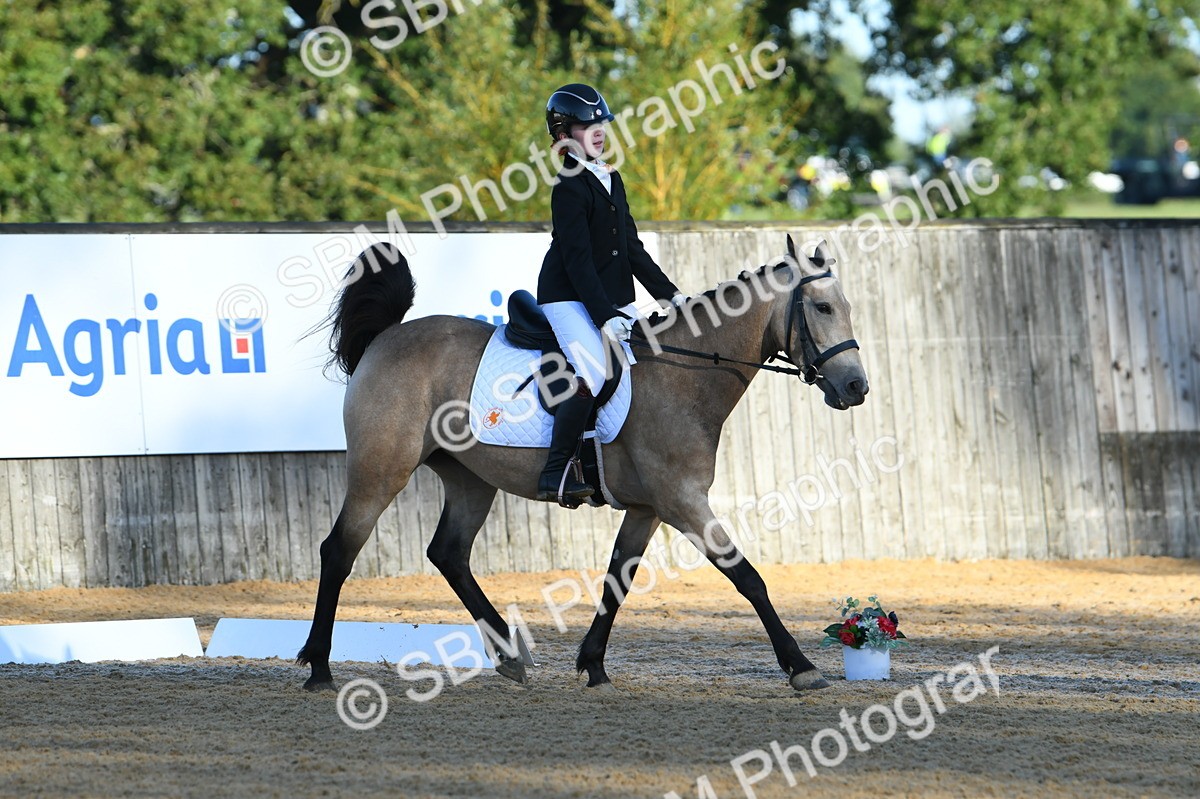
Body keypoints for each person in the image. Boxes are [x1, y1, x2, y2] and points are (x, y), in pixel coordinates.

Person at [535, 82, 686, 503]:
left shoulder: (611, 177)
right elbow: (578, 261)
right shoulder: (568, 186)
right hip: (566, 296)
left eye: (602, 122)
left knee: (649, 357)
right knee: (594, 372)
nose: (599, 130)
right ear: (564, 135)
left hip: (606, 297)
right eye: (587, 125)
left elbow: (632, 248)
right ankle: (555, 472)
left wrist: (671, 296)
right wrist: (604, 316)